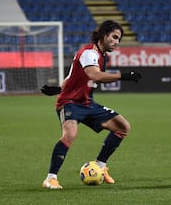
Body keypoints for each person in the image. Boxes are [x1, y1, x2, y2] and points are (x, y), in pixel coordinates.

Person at [41, 20, 142, 189]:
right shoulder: (89, 53)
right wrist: (123, 76)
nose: (117, 42)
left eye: (119, 39)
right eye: (114, 37)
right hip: (70, 103)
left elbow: (73, 76)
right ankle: (50, 179)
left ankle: (101, 167)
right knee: (70, 134)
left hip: (87, 103)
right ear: (103, 35)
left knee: (122, 126)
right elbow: (95, 75)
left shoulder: (102, 56)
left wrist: (59, 87)